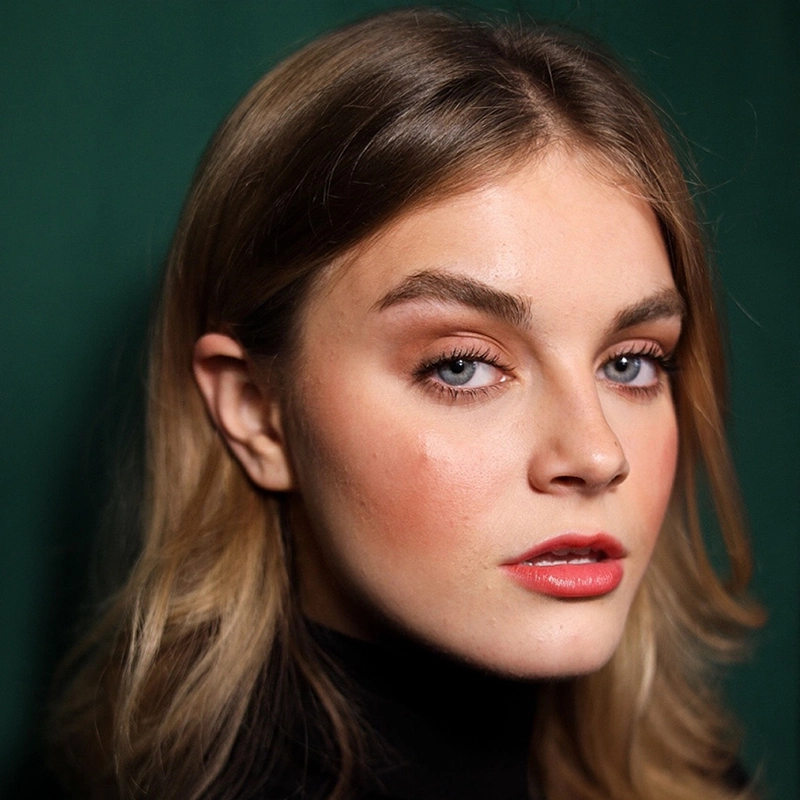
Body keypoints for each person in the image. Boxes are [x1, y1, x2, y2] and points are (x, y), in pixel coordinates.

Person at [50, 8, 764, 800]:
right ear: (255, 410)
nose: (598, 455)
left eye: (631, 363)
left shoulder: (680, 776)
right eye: (461, 366)